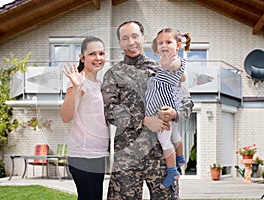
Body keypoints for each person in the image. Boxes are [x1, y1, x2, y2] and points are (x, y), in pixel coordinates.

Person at [101, 21, 193, 199]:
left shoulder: (164, 68)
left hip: (161, 156)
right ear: (120, 43)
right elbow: (109, 110)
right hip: (127, 157)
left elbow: (186, 101)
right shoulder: (113, 74)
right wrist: (143, 120)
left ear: (143, 38)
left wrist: (175, 113)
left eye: (135, 36)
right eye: (125, 38)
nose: (131, 42)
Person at [60, 36, 109, 200]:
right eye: (92, 54)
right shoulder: (79, 82)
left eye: (101, 53)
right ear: (82, 57)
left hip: (98, 154)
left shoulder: (101, 84)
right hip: (82, 156)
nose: (98, 58)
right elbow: (66, 116)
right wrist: (76, 87)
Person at [146, 28, 191, 188]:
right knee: (175, 134)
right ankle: (180, 157)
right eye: (161, 43)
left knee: (164, 140)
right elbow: (183, 76)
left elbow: (174, 65)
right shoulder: (171, 64)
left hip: (164, 110)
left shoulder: (173, 61)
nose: (164, 46)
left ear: (177, 45)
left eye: (168, 42)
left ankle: (172, 171)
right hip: (167, 105)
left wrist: (166, 60)